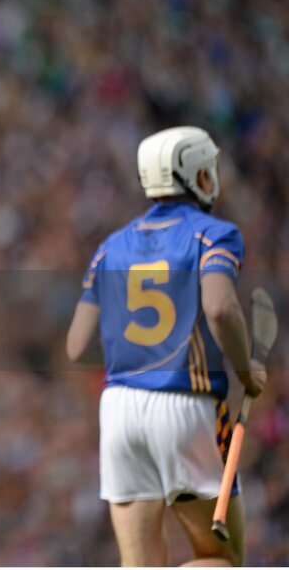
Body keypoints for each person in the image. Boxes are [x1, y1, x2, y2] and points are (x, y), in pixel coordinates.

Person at [66, 126, 266, 566]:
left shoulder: (110, 246)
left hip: (119, 409)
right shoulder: (215, 233)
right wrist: (244, 367)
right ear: (199, 175)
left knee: (138, 563)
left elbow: (77, 346)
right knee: (223, 559)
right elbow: (219, 308)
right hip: (185, 404)